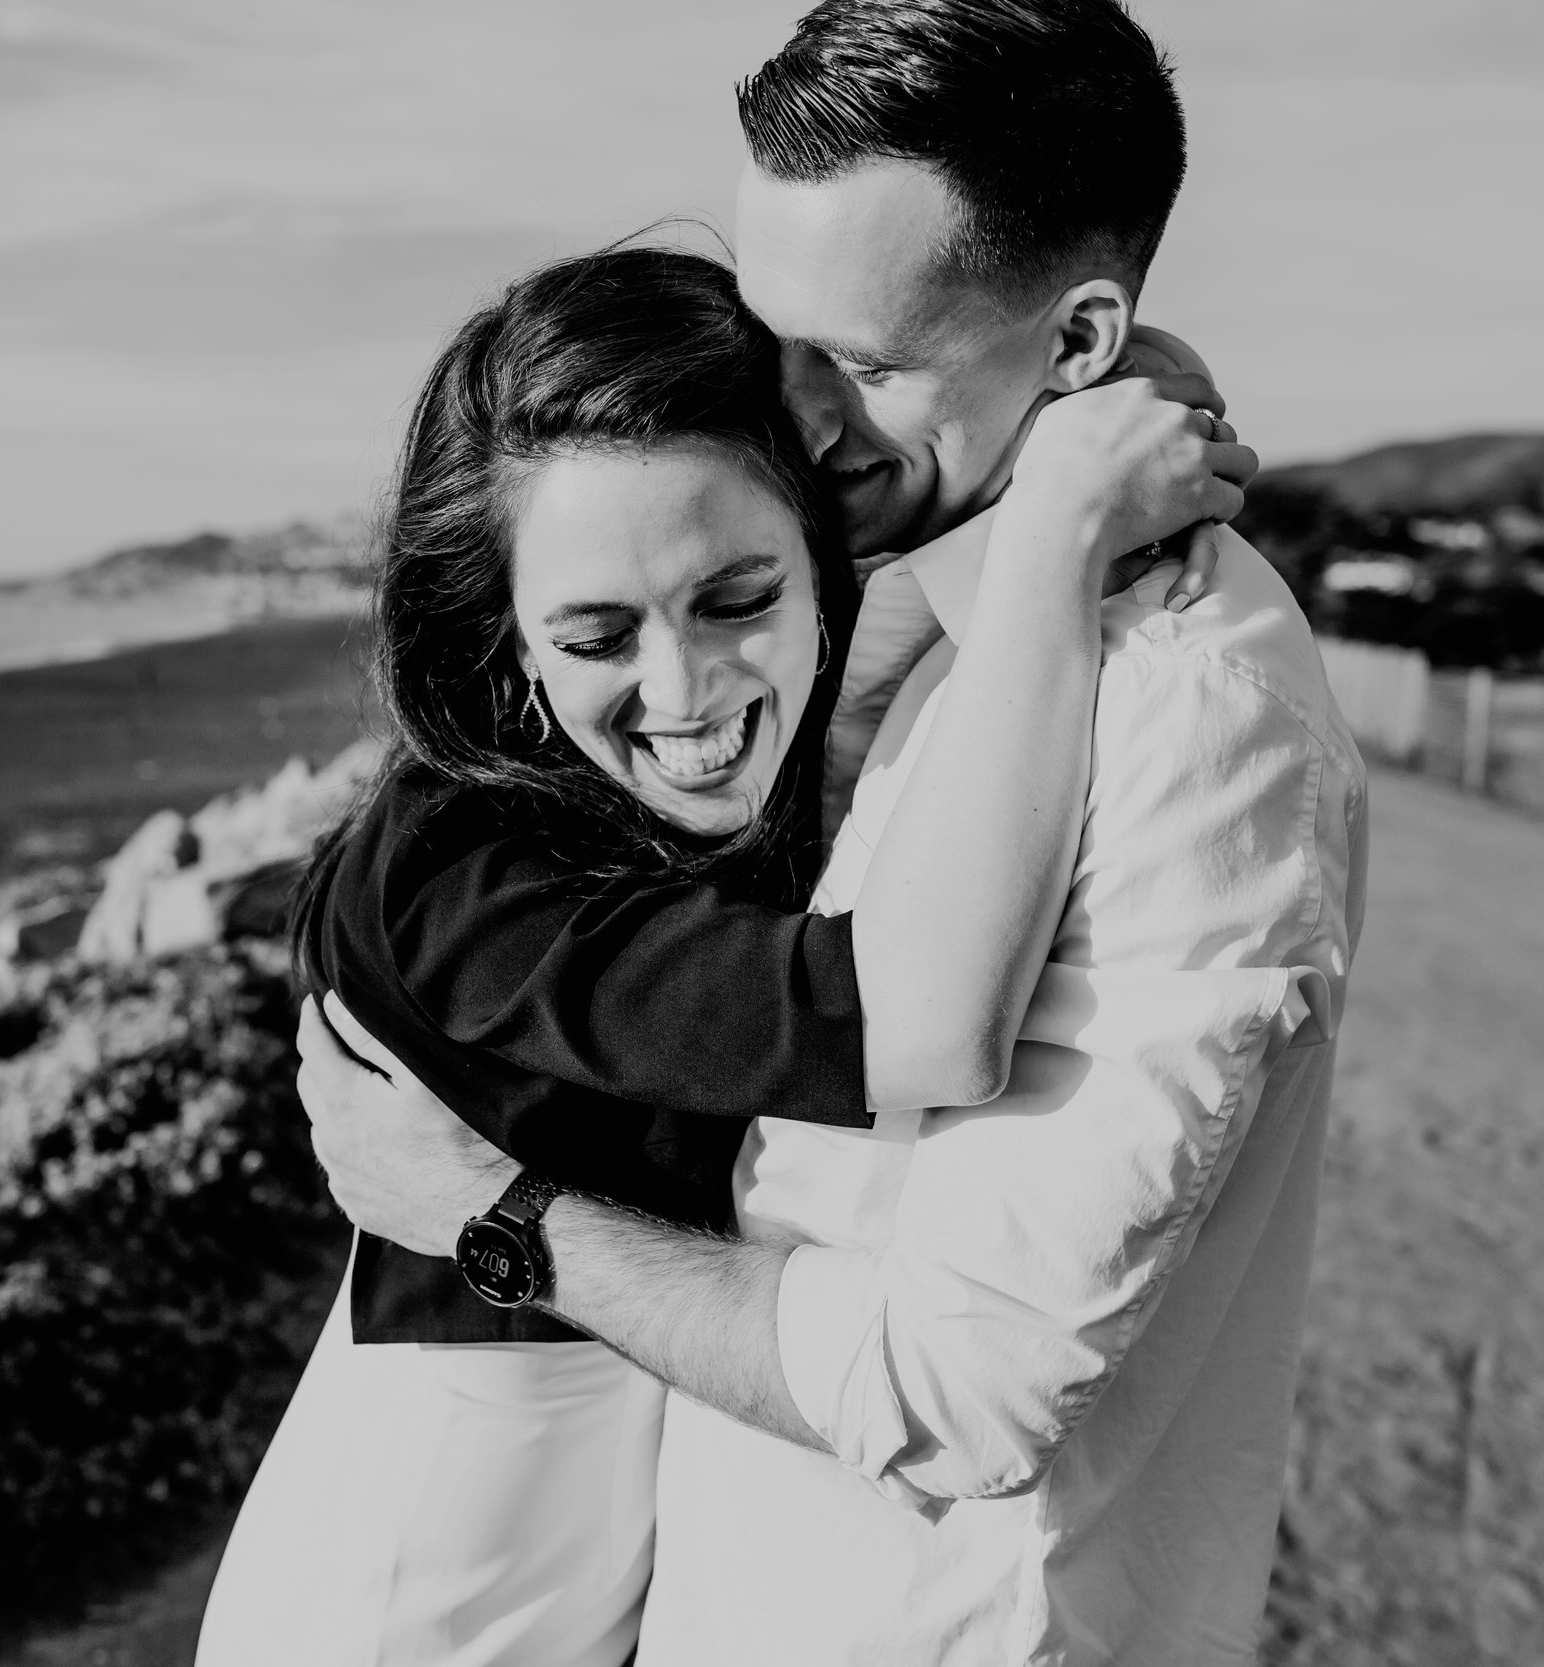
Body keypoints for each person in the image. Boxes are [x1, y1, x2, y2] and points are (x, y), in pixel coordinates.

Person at [293, 2, 1372, 1663]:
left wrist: (497, 1219)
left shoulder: (1176, 709)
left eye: (860, 367)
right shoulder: (506, 847)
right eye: (770, 346)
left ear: (1074, 346)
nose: (794, 423)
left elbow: (965, 1375)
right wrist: (1058, 494)